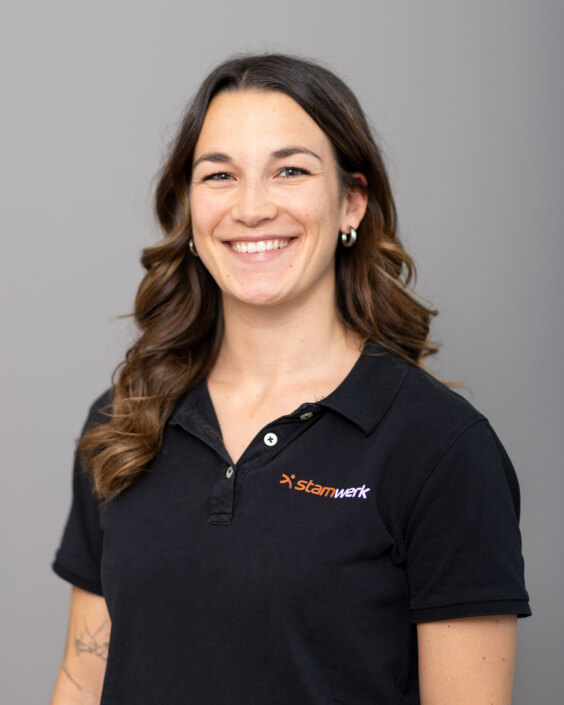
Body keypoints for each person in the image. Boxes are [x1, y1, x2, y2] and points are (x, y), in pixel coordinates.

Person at [50, 53, 530, 705]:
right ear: (191, 209)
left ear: (351, 202)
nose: (252, 207)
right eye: (220, 174)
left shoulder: (441, 448)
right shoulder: (125, 420)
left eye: (291, 170)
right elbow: (83, 682)